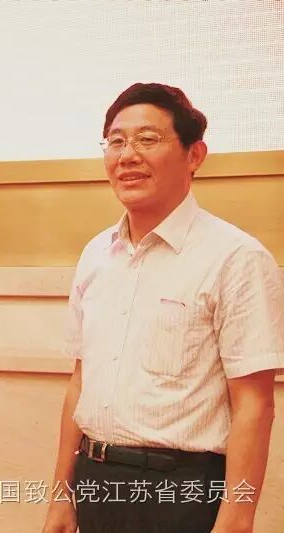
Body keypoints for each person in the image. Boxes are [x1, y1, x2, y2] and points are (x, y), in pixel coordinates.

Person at [42, 82, 284, 533]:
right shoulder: (96, 254)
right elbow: (80, 382)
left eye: (147, 139)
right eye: (116, 141)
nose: (127, 156)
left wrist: (236, 521)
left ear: (195, 155)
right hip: (96, 482)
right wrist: (61, 495)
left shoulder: (236, 258)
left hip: (182, 491)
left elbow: (254, 404)